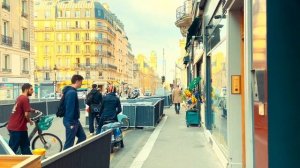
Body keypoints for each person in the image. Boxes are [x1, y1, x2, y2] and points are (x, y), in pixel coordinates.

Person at [7, 83, 36, 154]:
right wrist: (30, 121)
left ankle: (30, 163)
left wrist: (34, 110)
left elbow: (26, 108)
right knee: (12, 149)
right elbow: (26, 114)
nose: (33, 91)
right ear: (26, 89)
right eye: (31, 89)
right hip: (17, 128)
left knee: (25, 146)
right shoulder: (25, 98)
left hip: (20, 127)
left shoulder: (20, 97)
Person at [63, 74, 86, 150]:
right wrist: (71, 124)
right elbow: (70, 108)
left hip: (74, 120)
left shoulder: (70, 91)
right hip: (71, 121)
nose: (81, 83)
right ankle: (65, 160)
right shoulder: (72, 93)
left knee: (82, 137)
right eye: (81, 81)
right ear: (77, 81)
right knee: (69, 143)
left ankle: (75, 153)